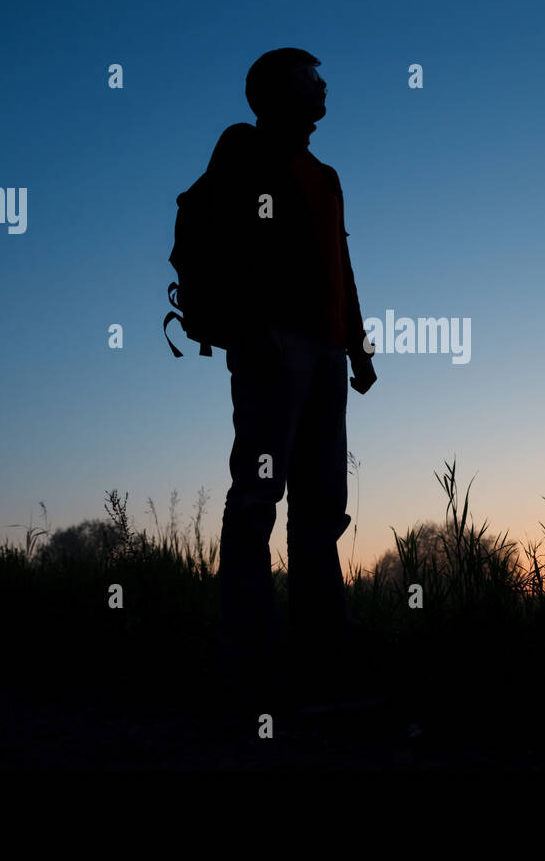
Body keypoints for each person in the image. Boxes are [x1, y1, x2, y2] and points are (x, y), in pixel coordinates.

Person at [204, 48, 377, 696]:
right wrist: (256, 330)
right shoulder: (245, 152)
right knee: (257, 499)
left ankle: (321, 657)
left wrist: (356, 349)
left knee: (321, 508)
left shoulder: (327, 176)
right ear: (279, 91)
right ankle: (247, 662)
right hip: (272, 352)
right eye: (310, 77)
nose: (323, 83)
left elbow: (342, 264)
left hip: (327, 356)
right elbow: (227, 245)